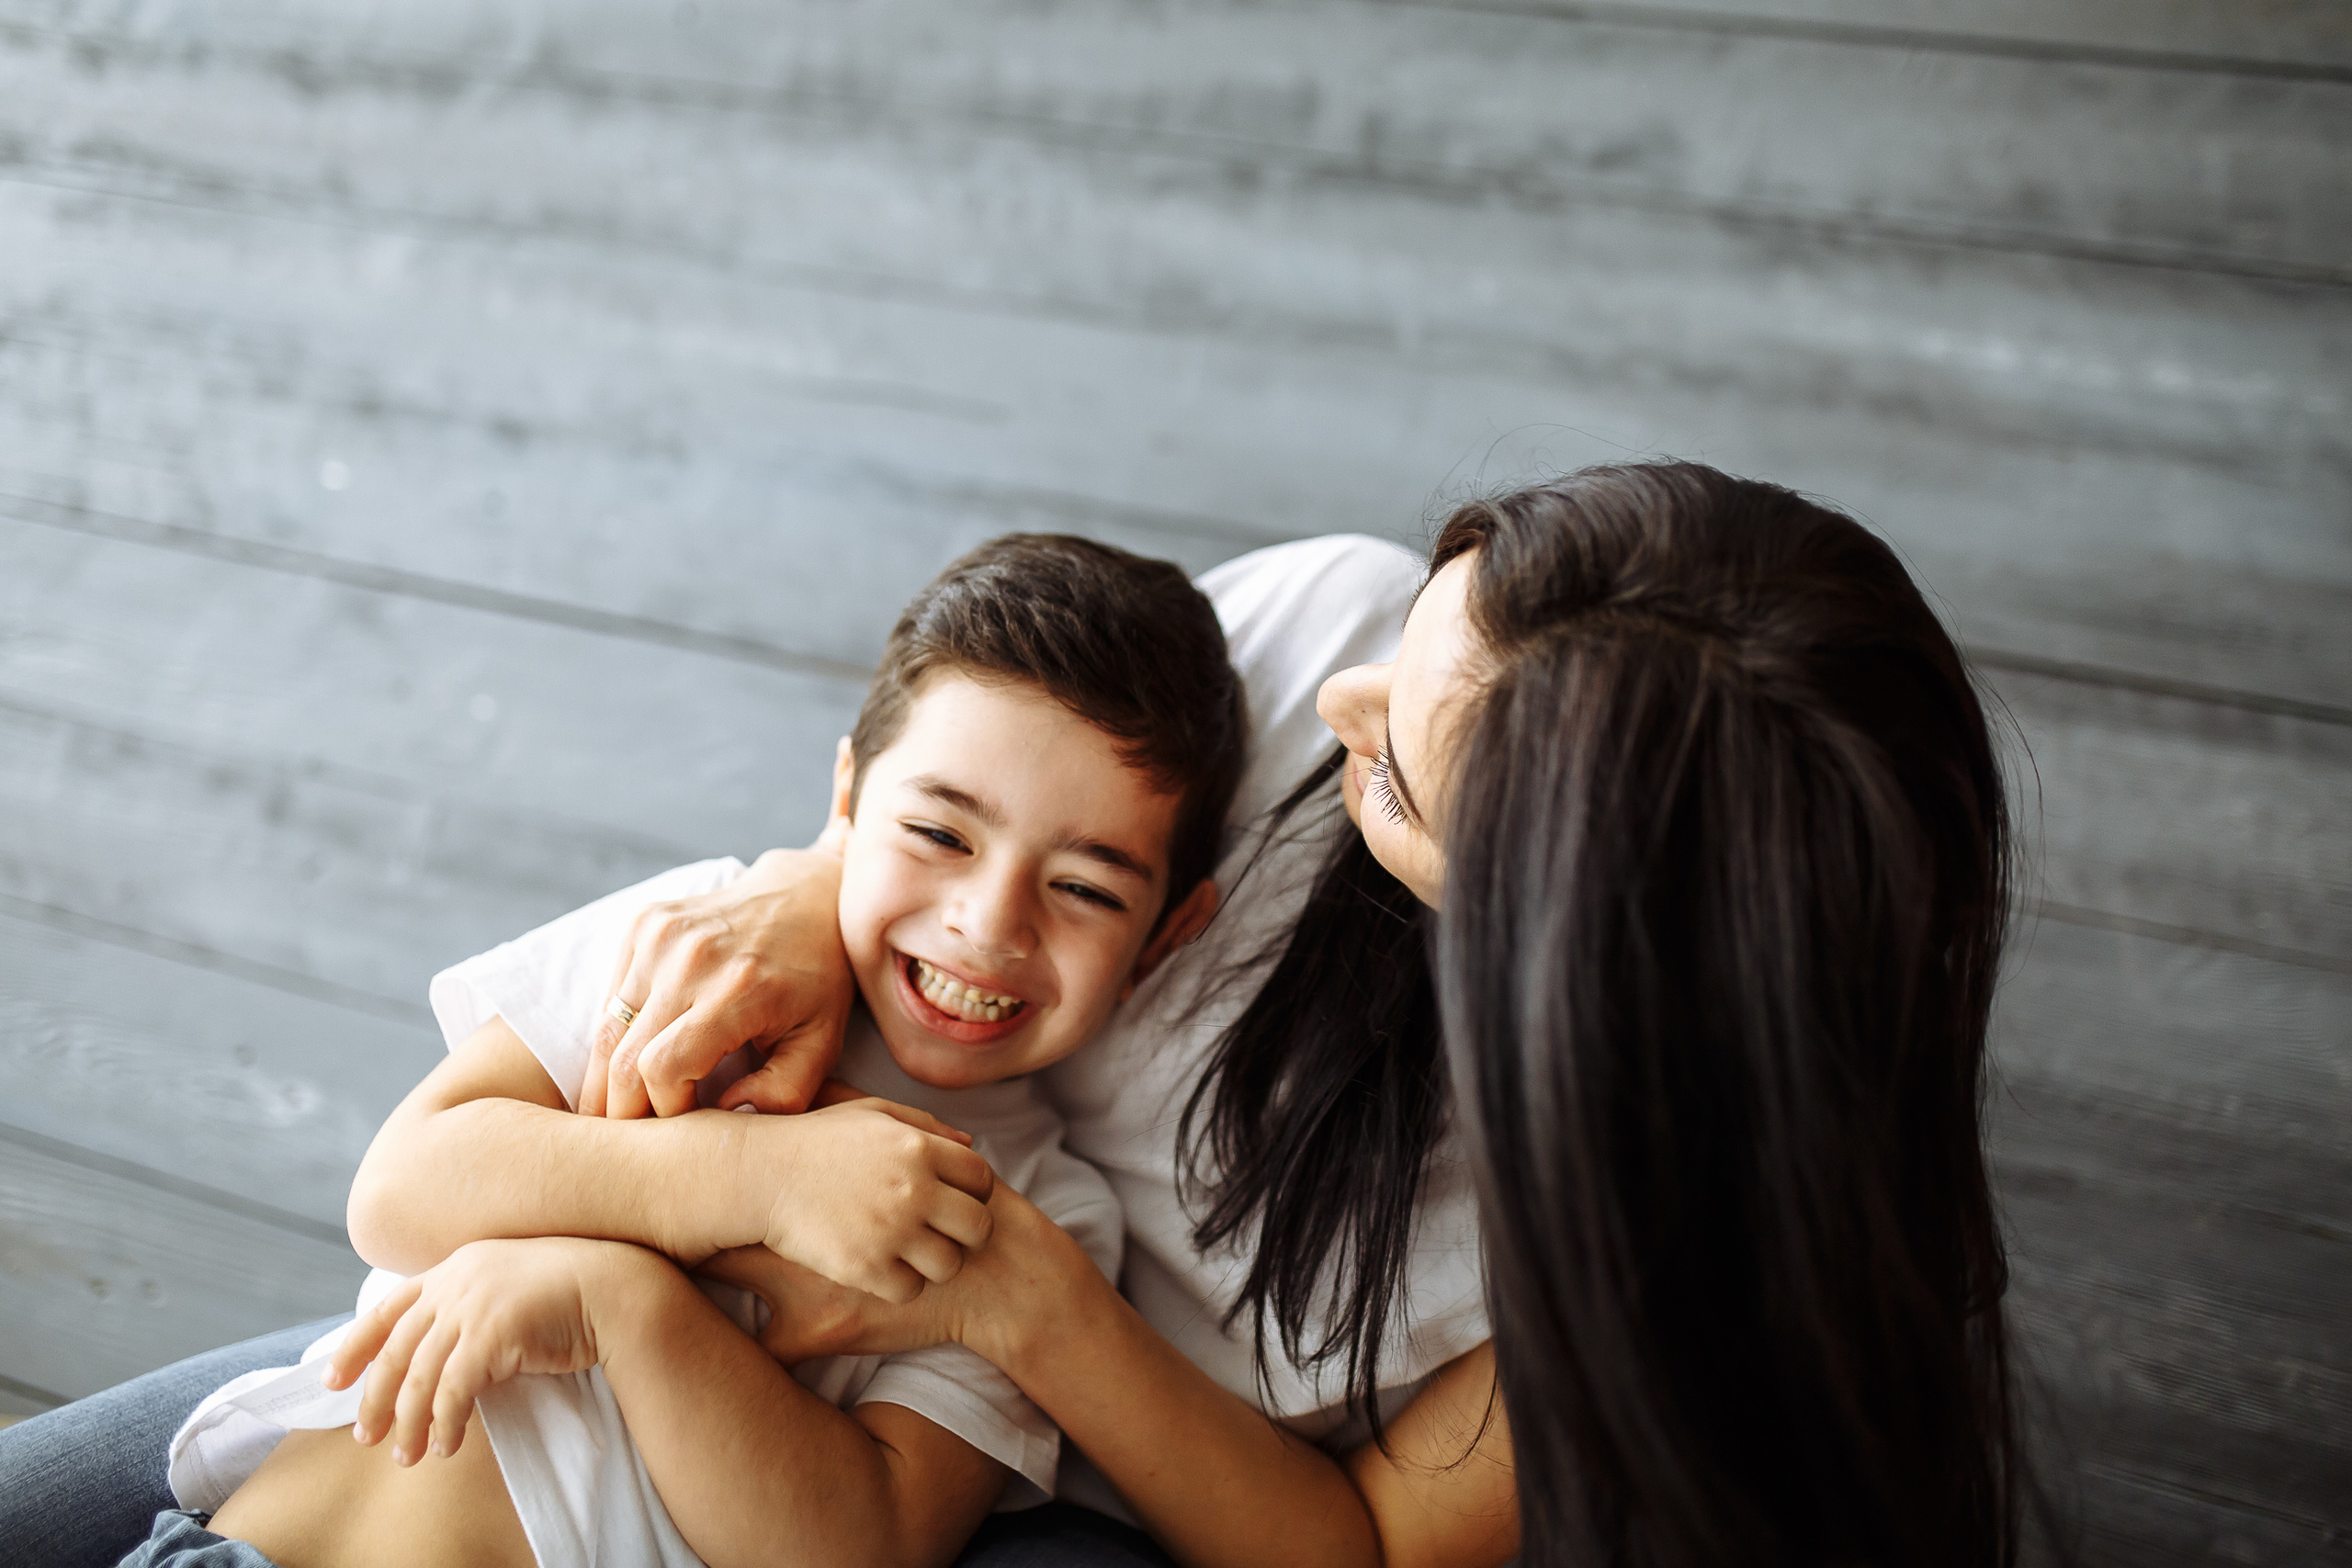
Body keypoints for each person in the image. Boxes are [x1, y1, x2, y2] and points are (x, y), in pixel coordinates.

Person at [3, 461, 2032, 1568]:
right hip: (671, 1287)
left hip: (1068, 1494)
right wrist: (811, 914)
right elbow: (998, 777)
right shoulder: (1336, 634)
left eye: (1401, 767)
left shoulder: (1636, 1279)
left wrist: (1006, 1298)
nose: (1329, 729)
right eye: (1419, 632)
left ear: (1552, 942)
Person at [105, 532, 1248, 1568]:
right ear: (847, 796)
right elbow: (403, 1192)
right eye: (939, 832)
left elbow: (864, 1543)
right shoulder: (705, 947)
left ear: (1168, 938)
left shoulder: (1039, 1219)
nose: (990, 925)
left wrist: (619, 1302)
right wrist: (756, 1177)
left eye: (1085, 888)